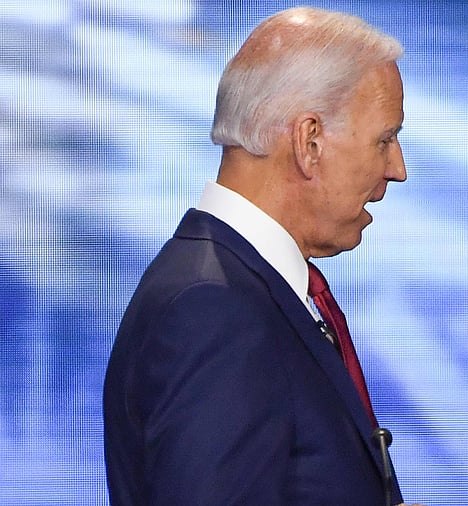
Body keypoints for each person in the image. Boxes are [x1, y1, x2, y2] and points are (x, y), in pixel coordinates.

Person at [103, 7, 412, 505]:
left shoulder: (243, 287)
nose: (397, 169)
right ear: (308, 141)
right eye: (385, 139)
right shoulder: (214, 308)